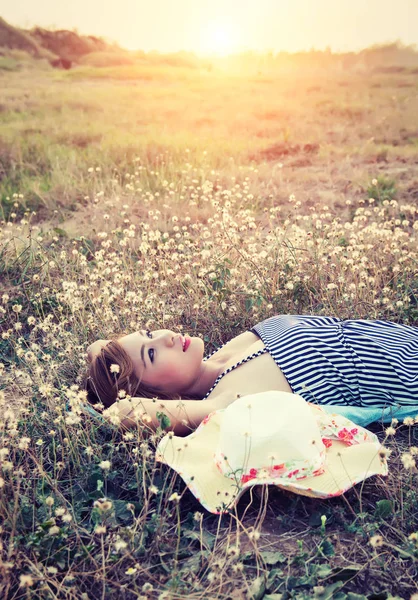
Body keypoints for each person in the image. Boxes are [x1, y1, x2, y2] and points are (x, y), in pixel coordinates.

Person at [84, 314, 418, 436]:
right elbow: (123, 413)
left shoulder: (228, 353)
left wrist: (103, 352)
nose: (165, 336)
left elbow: (98, 347)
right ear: (161, 398)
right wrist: (105, 391)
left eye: (148, 333)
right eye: (153, 354)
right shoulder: (228, 400)